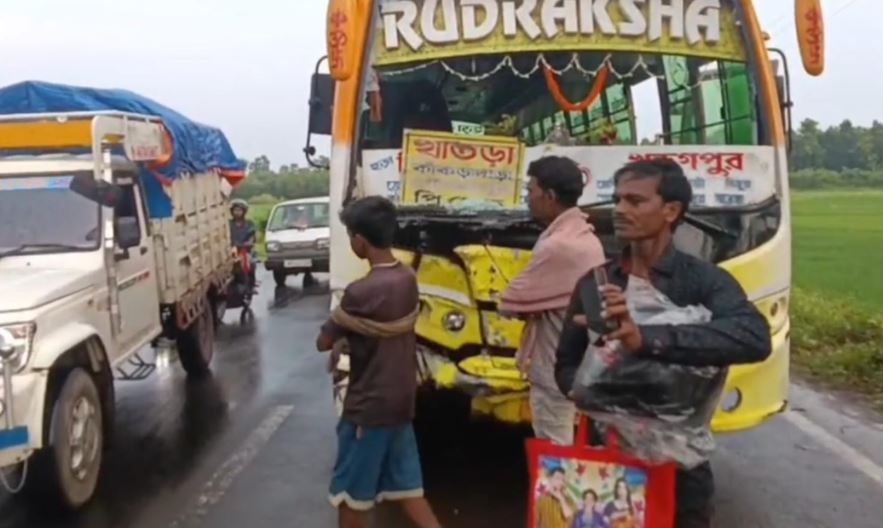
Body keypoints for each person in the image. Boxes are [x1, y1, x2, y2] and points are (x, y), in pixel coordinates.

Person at [554, 159, 772, 527]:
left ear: (671, 211)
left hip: (680, 465)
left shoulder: (703, 282)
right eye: (617, 199)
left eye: (635, 201)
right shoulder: (597, 283)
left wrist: (647, 339)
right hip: (606, 461)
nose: (620, 210)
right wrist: (586, 389)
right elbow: (566, 364)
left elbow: (753, 336)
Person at [315, 196, 442, 528]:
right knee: (409, 491)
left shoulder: (360, 291)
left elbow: (323, 341)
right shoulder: (407, 278)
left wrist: (344, 334)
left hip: (368, 409)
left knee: (350, 498)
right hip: (401, 402)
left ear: (360, 240)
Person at [499, 156, 605, 445]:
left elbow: (510, 301)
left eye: (531, 190)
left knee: (555, 449)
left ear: (550, 196)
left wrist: (522, 303)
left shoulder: (559, 245)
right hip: (580, 362)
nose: (527, 197)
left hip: (555, 367)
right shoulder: (585, 236)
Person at [229, 199, 257, 287]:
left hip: (246, 250)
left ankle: (251, 285)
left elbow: (252, 239)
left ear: (244, 211)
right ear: (232, 211)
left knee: (251, 263)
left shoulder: (249, 224)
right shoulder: (228, 224)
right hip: (231, 251)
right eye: (235, 210)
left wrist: (248, 244)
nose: (237, 212)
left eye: (239, 210)